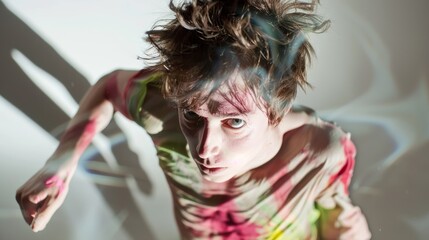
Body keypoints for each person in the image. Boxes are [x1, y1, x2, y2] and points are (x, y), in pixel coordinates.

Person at [16, 0, 371, 239]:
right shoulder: (165, 107)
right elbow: (109, 86)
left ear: (275, 111)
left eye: (234, 122)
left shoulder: (319, 150)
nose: (204, 148)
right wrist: (62, 161)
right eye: (193, 116)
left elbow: (338, 216)